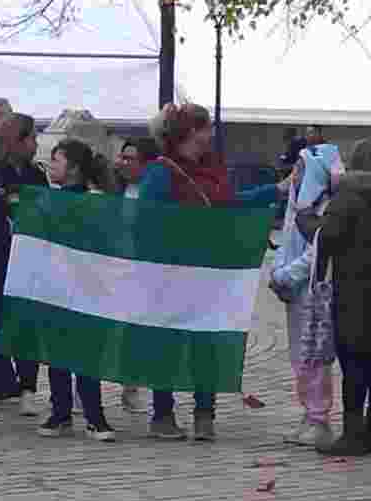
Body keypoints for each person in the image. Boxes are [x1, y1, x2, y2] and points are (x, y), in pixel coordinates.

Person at [140, 102, 287, 441]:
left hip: (208, 271)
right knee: (169, 341)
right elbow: (146, 222)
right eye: (206, 129)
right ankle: (162, 414)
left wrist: (274, 191)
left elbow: (229, 203)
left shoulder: (212, 168)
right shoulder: (161, 172)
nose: (211, 135)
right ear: (192, 132)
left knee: (206, 341)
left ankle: (204, 414)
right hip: (172, 272)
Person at [296, 139, 371, 456]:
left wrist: (304, 219)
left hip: (353, 288)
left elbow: (328, 235)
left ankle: (352, 433)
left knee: (353, 359)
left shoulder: (349, 194)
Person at [37, 138, 116, 441]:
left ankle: (92, 416)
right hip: (59, 286)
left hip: (84, 286)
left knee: (82, 354)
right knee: (61, 353)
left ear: (72, 168)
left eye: (56, 160)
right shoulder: (49, 200)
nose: (51, 166)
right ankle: (63, 414)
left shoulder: (91, 202)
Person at [0, 112, 49, 417]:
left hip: (27, 259)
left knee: (26, 324)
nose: (35, 144)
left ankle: (28, 387)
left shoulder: (35, 174)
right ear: (15, 140)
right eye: (31, 138)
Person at [269, 143, 345, 450]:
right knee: (300, 357)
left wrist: (287, 275)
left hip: (315, 293)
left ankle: (319, 418)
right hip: (296, 291)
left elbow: (318, 253)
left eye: (299, 169)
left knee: (315, 357)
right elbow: (286, 242)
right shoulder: (297, 206)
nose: (293, 175)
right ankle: (309, 413)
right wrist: (277, 272)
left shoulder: (326, 208)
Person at [114, 137, 161, 414]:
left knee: (137, 331)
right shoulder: (113, 189)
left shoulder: (151, 192)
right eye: (122, 157)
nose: (122, 163)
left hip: (142, 271)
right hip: (113, 267)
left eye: (130, 158)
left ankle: (131, 387)